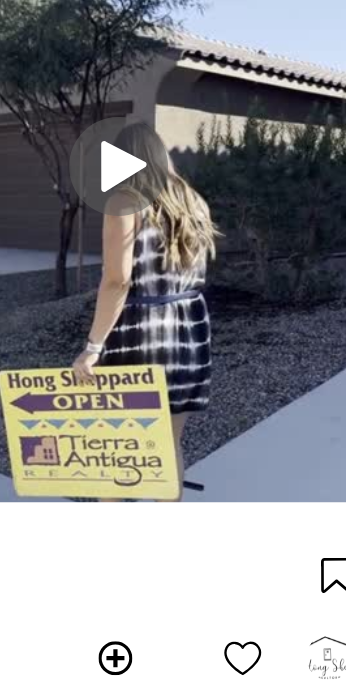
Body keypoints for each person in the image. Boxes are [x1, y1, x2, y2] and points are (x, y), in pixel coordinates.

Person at [71, 122, 219, 500]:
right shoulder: (192, 200)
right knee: (168, 445)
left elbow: (117, 281)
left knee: (120, 447)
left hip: (141, 336)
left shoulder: (125, 202)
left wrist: (92, 347)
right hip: (188, 332)